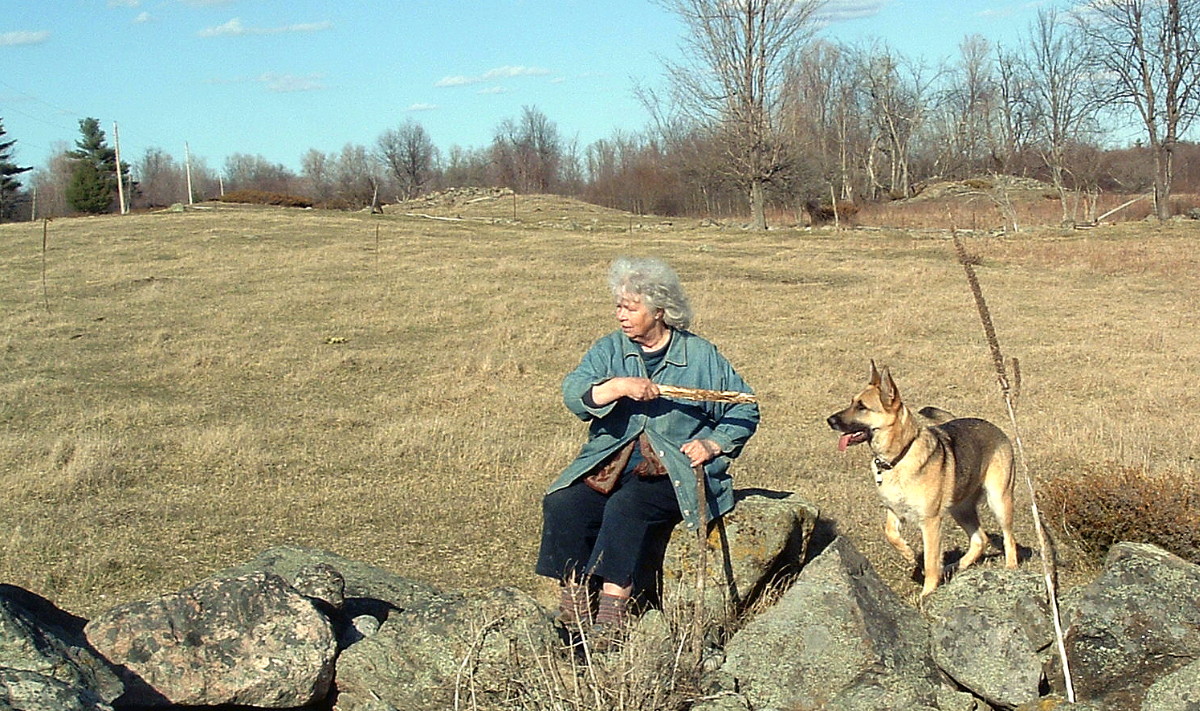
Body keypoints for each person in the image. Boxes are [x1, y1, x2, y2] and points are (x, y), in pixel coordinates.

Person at [535, 256, 759, 637]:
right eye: (618, 306)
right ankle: (575, 606)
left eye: (630, 307)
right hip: (611, 465)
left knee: (627, 508)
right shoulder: (609, 350)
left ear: (659, 310)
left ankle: (612, 614)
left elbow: (745, 408)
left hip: (674, 470)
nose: (621, 315)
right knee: (564, 503)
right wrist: (617, 387)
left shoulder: (700, 356)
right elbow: (574, 393)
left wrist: (712, 444)